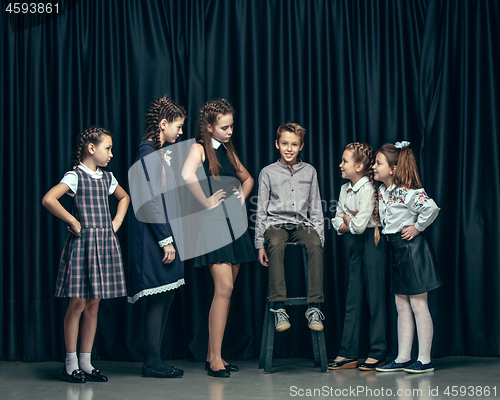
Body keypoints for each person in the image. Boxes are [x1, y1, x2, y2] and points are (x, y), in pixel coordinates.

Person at [42, 126, 129, 383]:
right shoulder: (75, 176)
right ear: (92, 148)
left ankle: (86, 362)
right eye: (108, 148)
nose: (111, 154)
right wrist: (74, 221)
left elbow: (124, 198)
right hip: (82, 246)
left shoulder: (107, 177)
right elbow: (49, 199)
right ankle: (70, 364)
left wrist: (115, 224)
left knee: (94, 304)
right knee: (77, 303)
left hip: (103, 244)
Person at [181, 99, 256, 378]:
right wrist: (206, 202)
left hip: (233, 227)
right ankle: (214, 360)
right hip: (213, 227)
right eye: (224, 127)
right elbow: (186, 175)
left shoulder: (227, 150)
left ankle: (216, 356)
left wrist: (240, 199)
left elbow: (247, 179)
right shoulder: (198, 148)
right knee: (223, 290)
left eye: (232, 126)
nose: (230, 131)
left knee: (226, 293)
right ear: (209, 127)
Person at [127, 96, 186, 378]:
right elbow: (151, 201)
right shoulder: (147, 153)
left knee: (167, 295)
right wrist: (166, 240)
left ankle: (155, 358)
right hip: (153, 236)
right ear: (163, 125)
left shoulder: (155, 152)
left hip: (160, 232)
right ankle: (152, 361)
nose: (181, 132)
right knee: (160, 298)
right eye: (178, 126)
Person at [373, 141, 442, 374]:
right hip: (396, 249)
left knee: (418, 303)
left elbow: (431, 208)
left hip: (412, 250)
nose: (373, 166)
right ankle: (403, 357)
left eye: (378, 163)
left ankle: (424, 359)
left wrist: (418, 227)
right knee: (401, 304)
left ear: (392, 169)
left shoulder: (407, 191)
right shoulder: (384, 191)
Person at [255, 122, 325, 333]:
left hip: (302, 224)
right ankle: (278, 307)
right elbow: (260, 210)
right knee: (276, 242)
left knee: (313, 243)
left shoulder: (310, 171)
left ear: (301, 146)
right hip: (275, 224)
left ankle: (314, 307)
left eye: (294, 144)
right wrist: (260, 244)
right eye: (285, 143)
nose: (289, 148)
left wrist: (320, 237)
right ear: (277, 144)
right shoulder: (267, 172)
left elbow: (316, 207)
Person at [328, 143, 387, 371]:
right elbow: (336, 220)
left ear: (359, 166)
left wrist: (347, 219)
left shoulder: (368, 189)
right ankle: (348, 352)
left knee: (375, 298)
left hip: (373, 243)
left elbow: (361, 226)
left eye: (345, 161)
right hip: (355, 244)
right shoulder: (345, 189)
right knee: (353, 297)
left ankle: (378, 351)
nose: (340, 165)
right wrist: (347, 221)